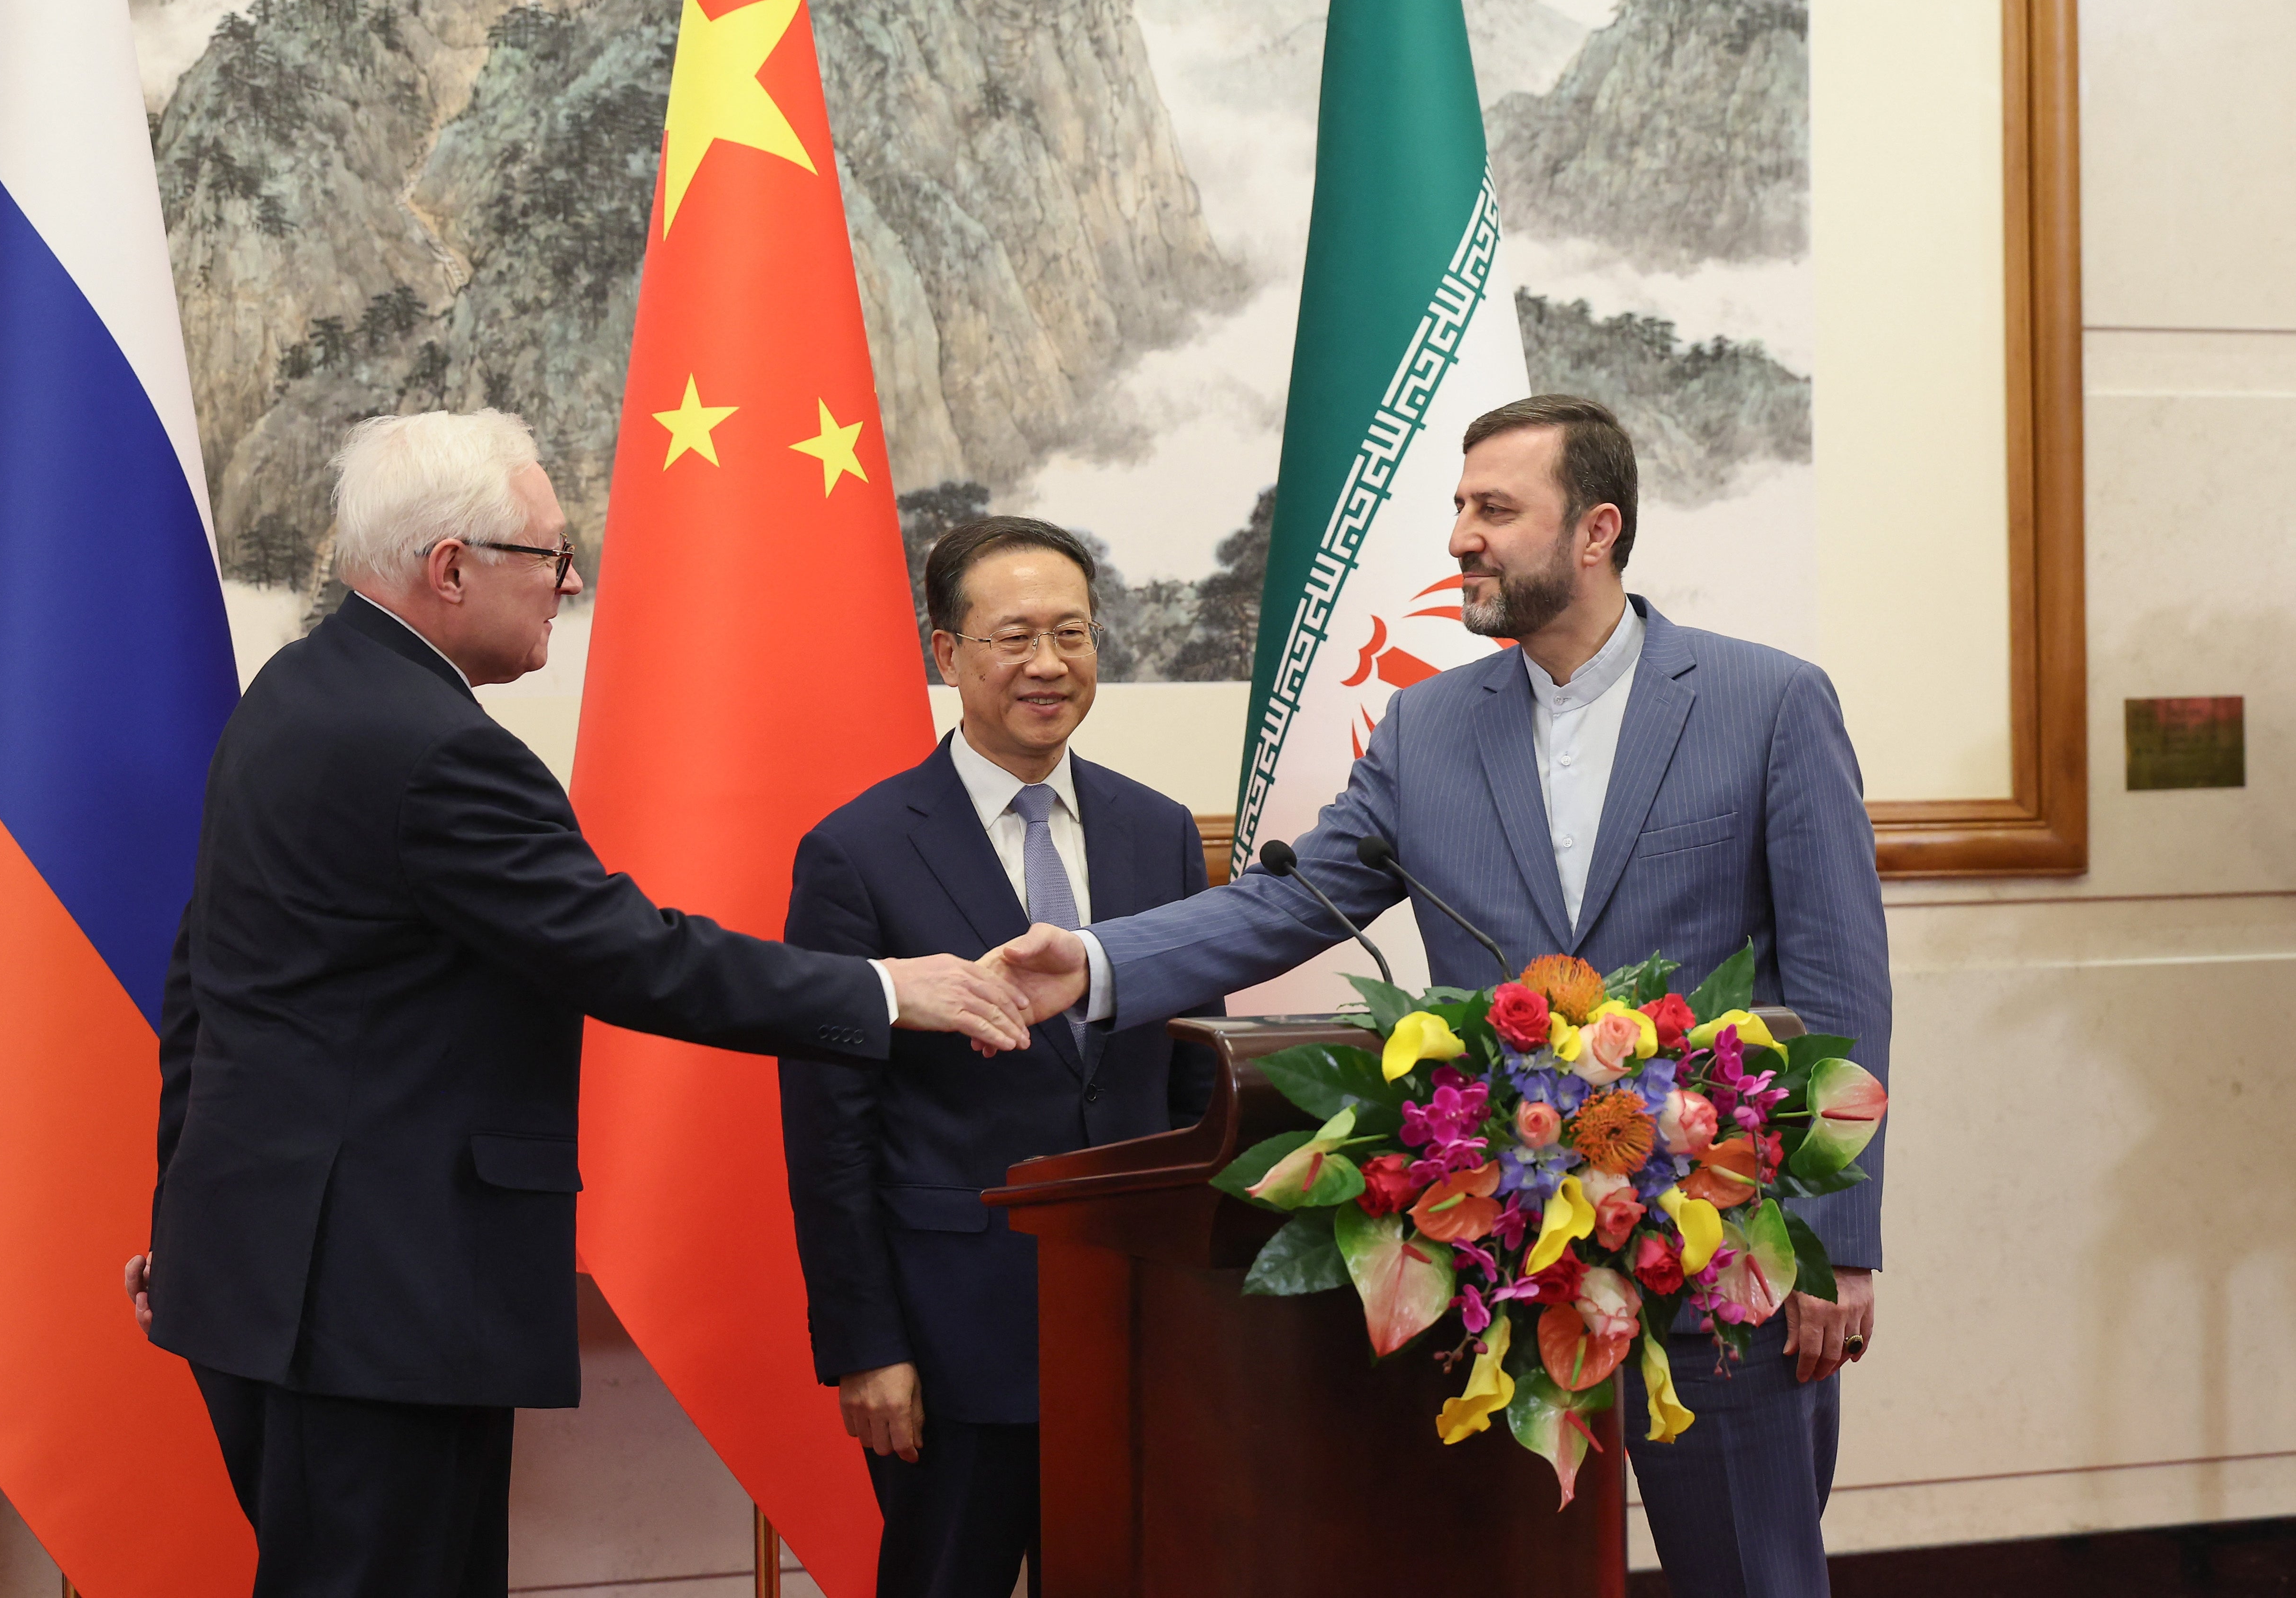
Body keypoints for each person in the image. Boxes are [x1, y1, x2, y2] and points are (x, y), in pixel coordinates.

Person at [121, 410, 1038, 1598]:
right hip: (372, 1298)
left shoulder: (299, 693)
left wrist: (188, 1214)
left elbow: (205, 982)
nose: (568, 582)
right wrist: (883, 987)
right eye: (551, 556)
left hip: (278, 1276)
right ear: (452, 567)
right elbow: (625, 953)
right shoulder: (436, 748)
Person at [989, 395, 1889, 1598]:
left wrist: (1841, 1243)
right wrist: (1097, 962)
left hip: (1723, 1239)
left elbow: (1839, 989)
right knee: (1506, 1561)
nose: (1461, 536)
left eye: (1493, 509)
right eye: (1459, 507)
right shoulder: (1425, 728)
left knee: (1753, 1570)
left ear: (1596, 530)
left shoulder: (1768, 702)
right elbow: (1291, 902)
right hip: (1504, 1247)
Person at [779, 516, 1221, 1598]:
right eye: (1013, 635)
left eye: (1072, 633)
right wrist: (865, 1344)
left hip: (1138, 1322)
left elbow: (1197, 1076)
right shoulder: (859, 850)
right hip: (953, 1337)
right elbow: (829, 1128)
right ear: (947, 653)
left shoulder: (1157, 831)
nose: (1047, 663)